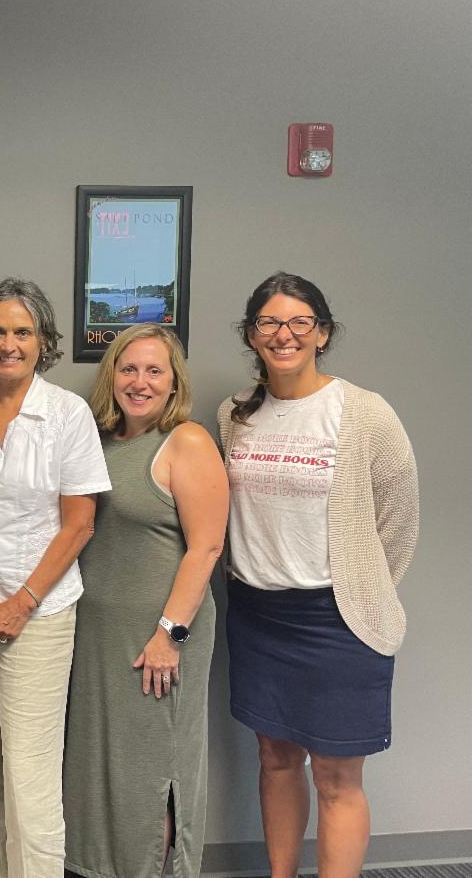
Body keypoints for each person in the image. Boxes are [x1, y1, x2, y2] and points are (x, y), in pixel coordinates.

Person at [218, 273, 419, 878]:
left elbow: (398, 520)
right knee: (275, 756)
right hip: (258, 616)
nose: (284, 335)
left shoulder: (363, 412)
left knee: (337, 776)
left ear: (322, 333)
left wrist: (358, 591)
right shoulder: (235, 415)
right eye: (270, 323)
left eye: (299, 322)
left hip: (339, 621)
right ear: (252, 336)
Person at [0, 278, 110, 877]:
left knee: (30, 773)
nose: (10, 343)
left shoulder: (67, 414)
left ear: (43, 341)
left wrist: (24, 602)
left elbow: (79, 522)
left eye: (23, 332)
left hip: (42, 615)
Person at [63, 324, 228, 878]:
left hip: (159, 640)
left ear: (174, 380)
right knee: (107, 771)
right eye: (128, 369)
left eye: (154, 370)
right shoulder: (102, 440)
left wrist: (169, 635)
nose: (139, 382)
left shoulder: (187, 441)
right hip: (99, 638)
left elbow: (206, 548)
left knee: (157, 771)